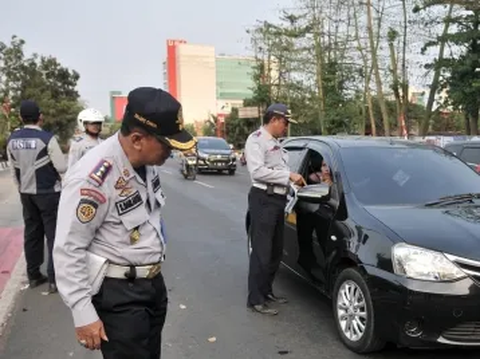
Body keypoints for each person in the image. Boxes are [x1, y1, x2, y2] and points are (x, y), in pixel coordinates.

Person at [53, 87, 196, 358]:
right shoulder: (93, 178)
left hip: (152, 287)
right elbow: (68, 248)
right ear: (138, 138)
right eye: (166, 144)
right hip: (119, 296)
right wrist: (83, 312)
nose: (170, 152)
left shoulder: (147, 162)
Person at [245, 103, 306, 316]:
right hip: (264, 198)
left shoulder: (277, 144)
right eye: (285, 122)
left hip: (278, 198)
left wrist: (292, 184)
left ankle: (267, 290)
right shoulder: (256, 140)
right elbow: (258, 171)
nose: (286, 127)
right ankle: (255, 299)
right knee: (261, 251)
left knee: (275, 250)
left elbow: (279, 168)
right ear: (274, 120)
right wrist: (288, 176)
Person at [6, 100, 67, 293]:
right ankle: (54, 278)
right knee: (53, 234)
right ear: (39, 116)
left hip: (26, 194)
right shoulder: (47, 139)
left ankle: (33, 275)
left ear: (21, 118)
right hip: (48, 193)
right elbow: (62, 167)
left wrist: (21, 188)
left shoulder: (12, 140)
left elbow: (12, 169)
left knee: (32, 234)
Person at [296, 155, 333, 280]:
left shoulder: (343, 183)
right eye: (323, 165)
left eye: (329, 165)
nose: (326, 169)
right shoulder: (314, 181)